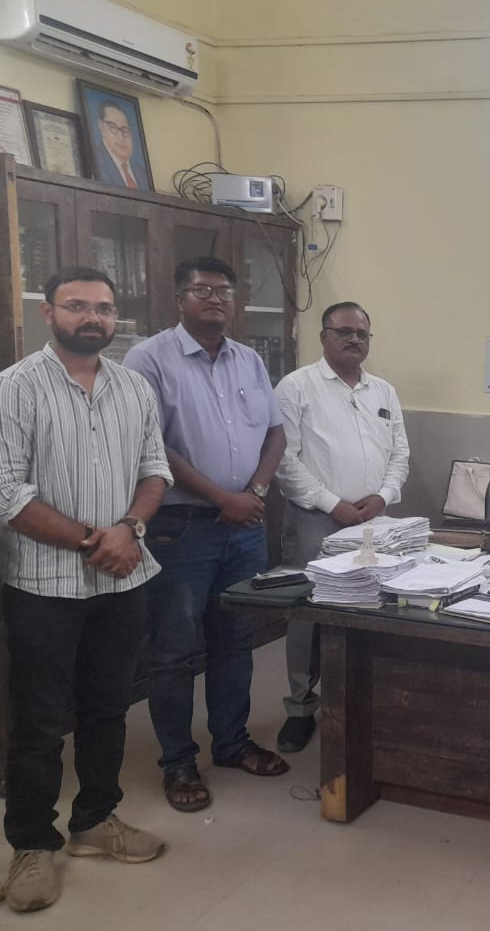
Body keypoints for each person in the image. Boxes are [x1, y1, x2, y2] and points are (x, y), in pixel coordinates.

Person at [0, 267, 172, 912]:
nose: (92, 317)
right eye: (77, 306)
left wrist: (130, 530)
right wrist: (96, 542)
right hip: (43, 586)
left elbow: (155, 470)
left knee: (108, 707)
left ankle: (96, 820)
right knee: (39, 722)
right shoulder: (15, 388)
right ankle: (31, 844)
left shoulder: (134, 387)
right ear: (49, 313)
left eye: (103, 307)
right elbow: (6, 492)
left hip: (123, 582)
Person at [123, 256, 289, 814]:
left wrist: (255, 493)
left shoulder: (249, 360)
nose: (215, 299)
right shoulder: (148, 358)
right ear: (179, 299)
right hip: (181, 528)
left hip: (244, 528)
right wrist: (223, 498)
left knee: (236, 639)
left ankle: (232, 743)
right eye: (202, 290)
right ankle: (178, 761)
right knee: (173, 651)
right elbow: (153, 444)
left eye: (224, 291)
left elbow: (275, 434)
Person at [273, 301, 409, 753]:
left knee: (372, 605)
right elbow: (285, 461)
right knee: (307, 613)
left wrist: (383, 497)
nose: (354, 340)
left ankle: (363, 698)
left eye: (362, 334)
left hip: (373, 521)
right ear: (323, 337)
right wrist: (334, 505)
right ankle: (300, 707)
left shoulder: (383, 391)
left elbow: (400, 454)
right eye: (344, 332)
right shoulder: (296, 387)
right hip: (316, 520)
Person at [92, 101, 148, 190]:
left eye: (125, 129)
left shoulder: (143, 173)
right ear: (101, 126)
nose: (121, 137)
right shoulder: (94, 162)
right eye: (113, 127)